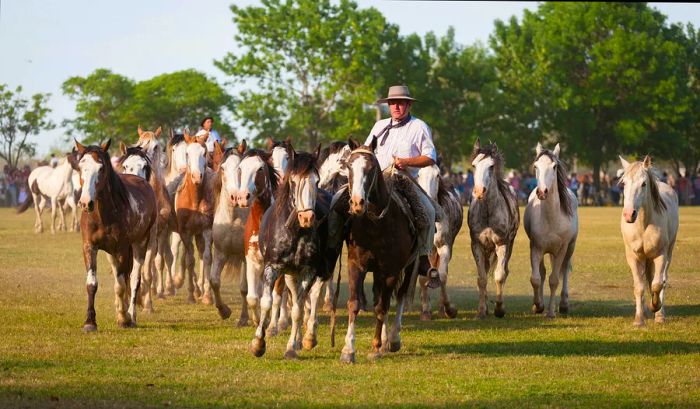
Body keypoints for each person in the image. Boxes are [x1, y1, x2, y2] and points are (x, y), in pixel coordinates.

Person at [363, 85, 440, 288]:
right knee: (340, 202)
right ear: (388, 105)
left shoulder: (419, 127)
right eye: (393, 103)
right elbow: (366, 151)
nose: (396, 106)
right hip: (375, 181)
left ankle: (423, 258)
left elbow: (430, 157)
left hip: (403, 180)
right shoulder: (378, 126)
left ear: (408, 104)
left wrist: (406, 162)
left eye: (400, 103)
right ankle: (334, 245)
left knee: (429, 212)